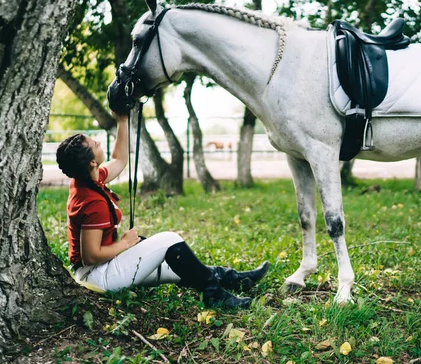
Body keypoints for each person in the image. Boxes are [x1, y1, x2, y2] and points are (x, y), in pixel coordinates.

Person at [55, 112, 269, 309]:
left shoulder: (88, 179)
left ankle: (235, 279)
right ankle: (216, 297)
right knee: (168, 239)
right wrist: (125, 243)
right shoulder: (92, 201)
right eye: (95, 144)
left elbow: (119, 160)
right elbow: (91, 256)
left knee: (177, 268)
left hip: (104, 269)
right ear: (92, 162)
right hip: (97, 277)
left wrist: (121, 120)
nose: (100, 143)